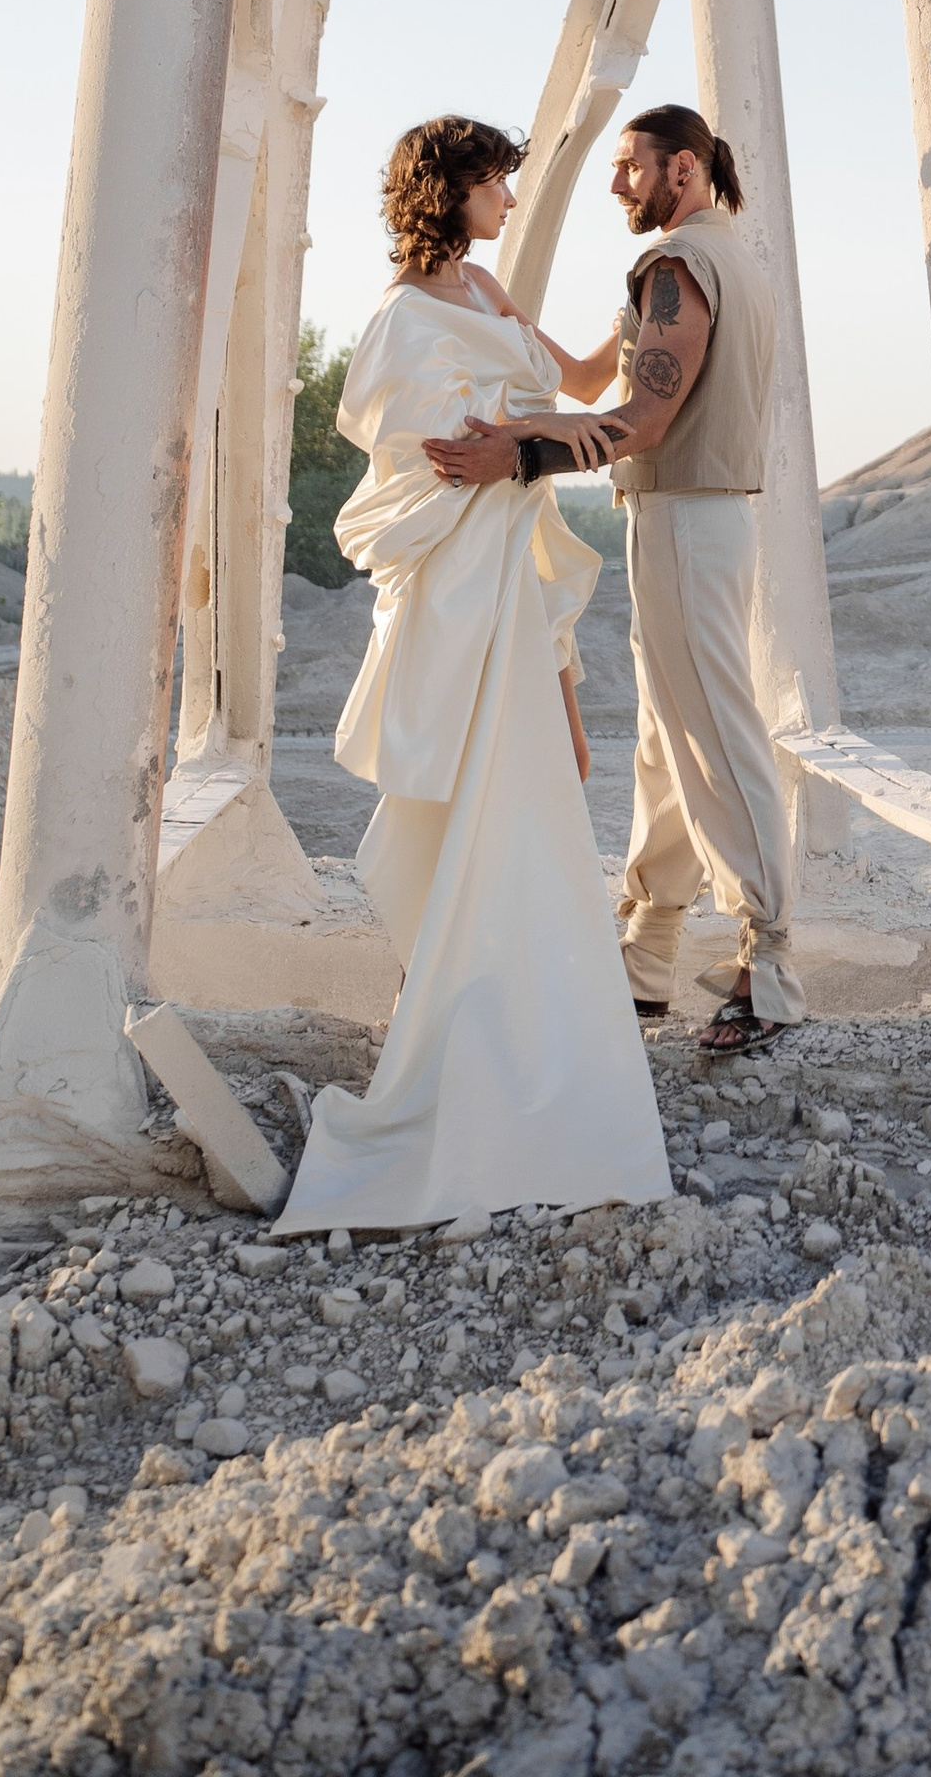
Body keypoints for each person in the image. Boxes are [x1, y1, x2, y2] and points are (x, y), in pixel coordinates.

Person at [278, 117, 670, 1233]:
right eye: (495, 180)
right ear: (448, 189)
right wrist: (530, 442)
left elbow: (572, 381)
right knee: (472, 790)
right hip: (462, 575)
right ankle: (450, 1027)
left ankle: (515, 1027)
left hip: (513, 558)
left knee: (539, 789)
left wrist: (642, 309)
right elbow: (449, 456)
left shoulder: (488, 289)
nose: (507, 197)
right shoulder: (402, 317)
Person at [426, 100, 805, 1058]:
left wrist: (516, 453)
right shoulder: (718, 257)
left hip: (686, 515)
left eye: (629, 164)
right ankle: (645, 960)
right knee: (666, 744)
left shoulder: (679, 266)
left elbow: (642, 421)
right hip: (687, 519)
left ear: (683, 169)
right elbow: (591, 383)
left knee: (714, 735)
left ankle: (770, 969)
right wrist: (507, 318)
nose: (613, 181)